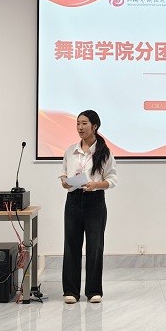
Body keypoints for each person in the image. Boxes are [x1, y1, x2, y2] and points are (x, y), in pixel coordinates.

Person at [58, 110, 117, 304]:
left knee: (95, 246)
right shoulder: (70, 151)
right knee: (71, 245)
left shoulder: (104, 152)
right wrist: (65, 181)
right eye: (78, 123)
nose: (80, 127)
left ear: (94, 126)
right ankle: (71, 291)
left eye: (84, 123)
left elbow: (112, 179)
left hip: (95, 201)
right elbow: (63, 173)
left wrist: (95, 184)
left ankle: (93, 291)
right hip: (73, 200)